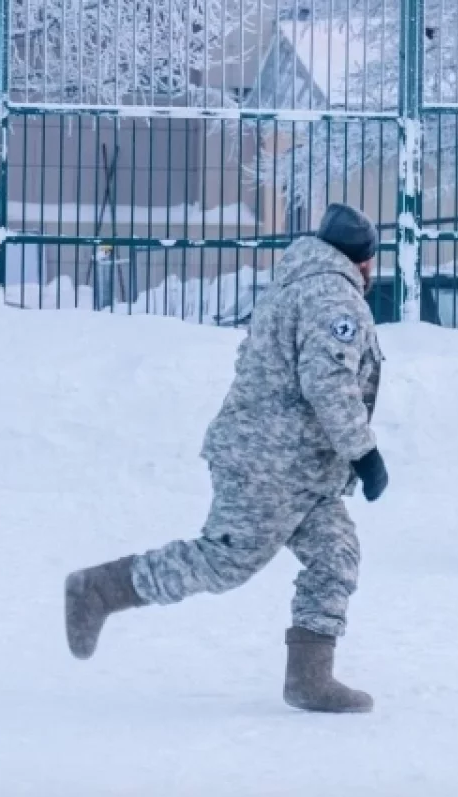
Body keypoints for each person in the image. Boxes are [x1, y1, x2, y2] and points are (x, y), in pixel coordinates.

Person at [64, 203, 389, 713]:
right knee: (223, 561)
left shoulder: (296, 283)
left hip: (299, 466)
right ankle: (98, 590)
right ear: (365, 260)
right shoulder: (331, 296)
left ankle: (309, 677)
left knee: (335, 556)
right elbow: (327, 383)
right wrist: (365, 453)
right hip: (270, 465)